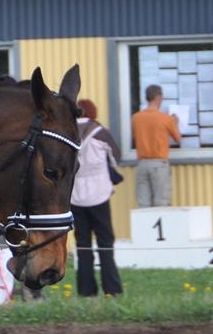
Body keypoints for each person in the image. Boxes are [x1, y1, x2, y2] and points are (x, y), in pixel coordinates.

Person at [69, 98, 124, 297]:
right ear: (93, 112)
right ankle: (112, 288)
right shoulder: (99, 132)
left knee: (82, 244)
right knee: (105, 242)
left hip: (75, 196)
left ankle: (86, 291)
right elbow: (116, 156)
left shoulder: (66, 133)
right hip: (100, 193)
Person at [131, 84, 181, 207]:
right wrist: (175, 123)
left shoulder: (136, 118)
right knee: (161, 203)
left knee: (143, 205)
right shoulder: (166, 119)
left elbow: (134, 137)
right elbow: (178, 139)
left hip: (142, 164)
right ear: (158, 98)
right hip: (159, 164)